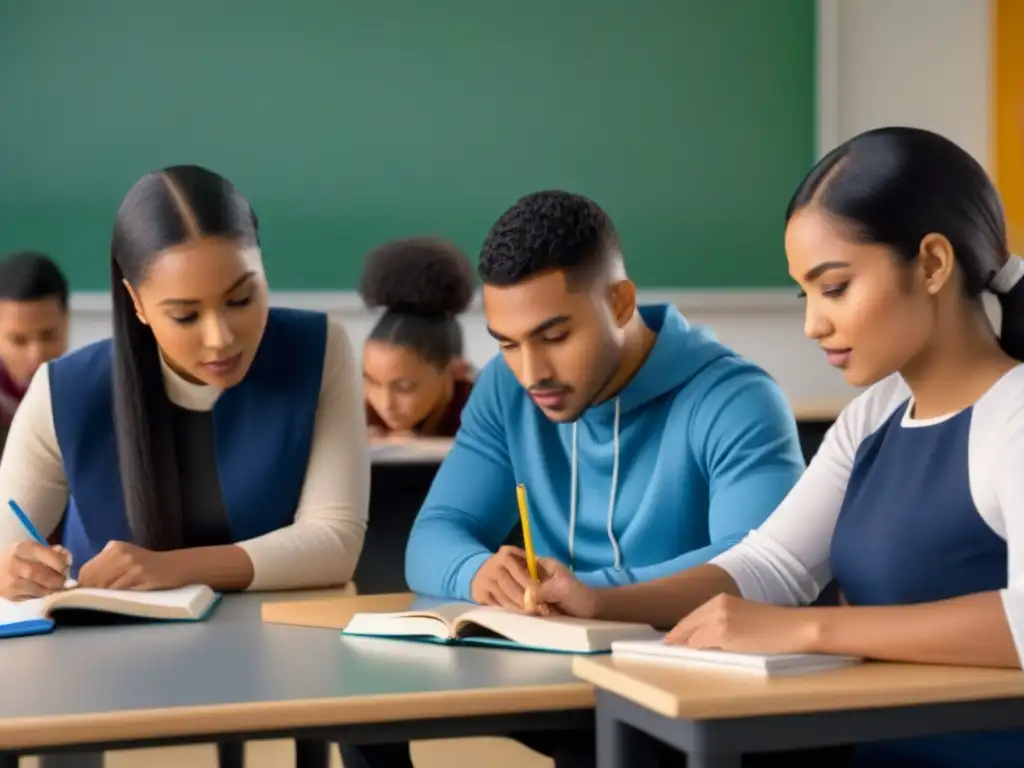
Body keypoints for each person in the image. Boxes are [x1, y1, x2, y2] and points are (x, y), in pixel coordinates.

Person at [527, 127, 1024, 766]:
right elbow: (772, 566)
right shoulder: (874, 414)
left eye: (836, 287)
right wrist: (599, 600)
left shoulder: (1013, 413)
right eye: (805, 293)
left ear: (931, 264)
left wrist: (809, 628)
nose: (814, 323)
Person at [340, 190, 807, 768]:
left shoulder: (735, 398)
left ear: (619, 303)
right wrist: (479, 572)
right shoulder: (506, 390)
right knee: (361, 714)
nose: (532, 372)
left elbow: (763, 567)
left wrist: (600, 597)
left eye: (555, 337)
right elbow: (437, 531)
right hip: (565, 671)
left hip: (695, 686)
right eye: (507, 344)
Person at [0, 165, 369, 768]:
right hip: (95, 674)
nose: (221, 338)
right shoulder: (63, 391)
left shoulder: (322, 350)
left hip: (282, 651)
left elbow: (335, 541)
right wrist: (10, 566)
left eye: (242, 298)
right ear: (136, 304)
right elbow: (4, 546)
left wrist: (167, 568)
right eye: (185, 315)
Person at [359, 236, 476, 439]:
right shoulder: (353, 412)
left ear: (455, 371)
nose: (385, 404)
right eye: (372, 382)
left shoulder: (485, 411)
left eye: (404, 388)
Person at [0, 251, 69, 448]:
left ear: (66, 321)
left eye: (49, 336)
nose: (37, 355)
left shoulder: (87, 391)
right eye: (19, 340)